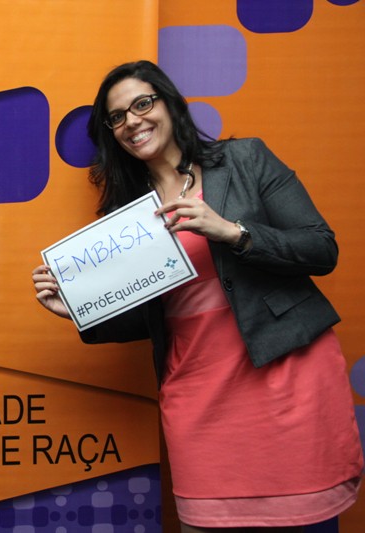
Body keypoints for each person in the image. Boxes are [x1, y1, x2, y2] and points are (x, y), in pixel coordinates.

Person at [32, 60, 363, 532]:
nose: (132, 121)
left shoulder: (245, 160)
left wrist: (233, 232)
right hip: (197, 388)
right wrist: (79, 310)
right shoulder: (125, 217)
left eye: (142, 104)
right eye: (117, 117)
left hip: (288, 377)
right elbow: (154, 314)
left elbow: (321, 248)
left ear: (169, 104)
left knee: (306, 519)